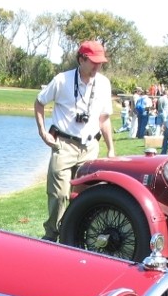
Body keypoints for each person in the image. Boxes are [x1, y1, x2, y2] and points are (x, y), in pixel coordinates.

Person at [34, 40, 115, 241]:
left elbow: (104, 119)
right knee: (60, 195)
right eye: (93, 61)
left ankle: (75, 237)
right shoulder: (62, 80)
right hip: (64, 145)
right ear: (81, 59)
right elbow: (39, 102)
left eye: (101, 62)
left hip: (90, 147)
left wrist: (111, 149)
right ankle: (52, 235)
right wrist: (43, 132)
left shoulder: (104, 83)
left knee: (83, 197)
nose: (98, 66)